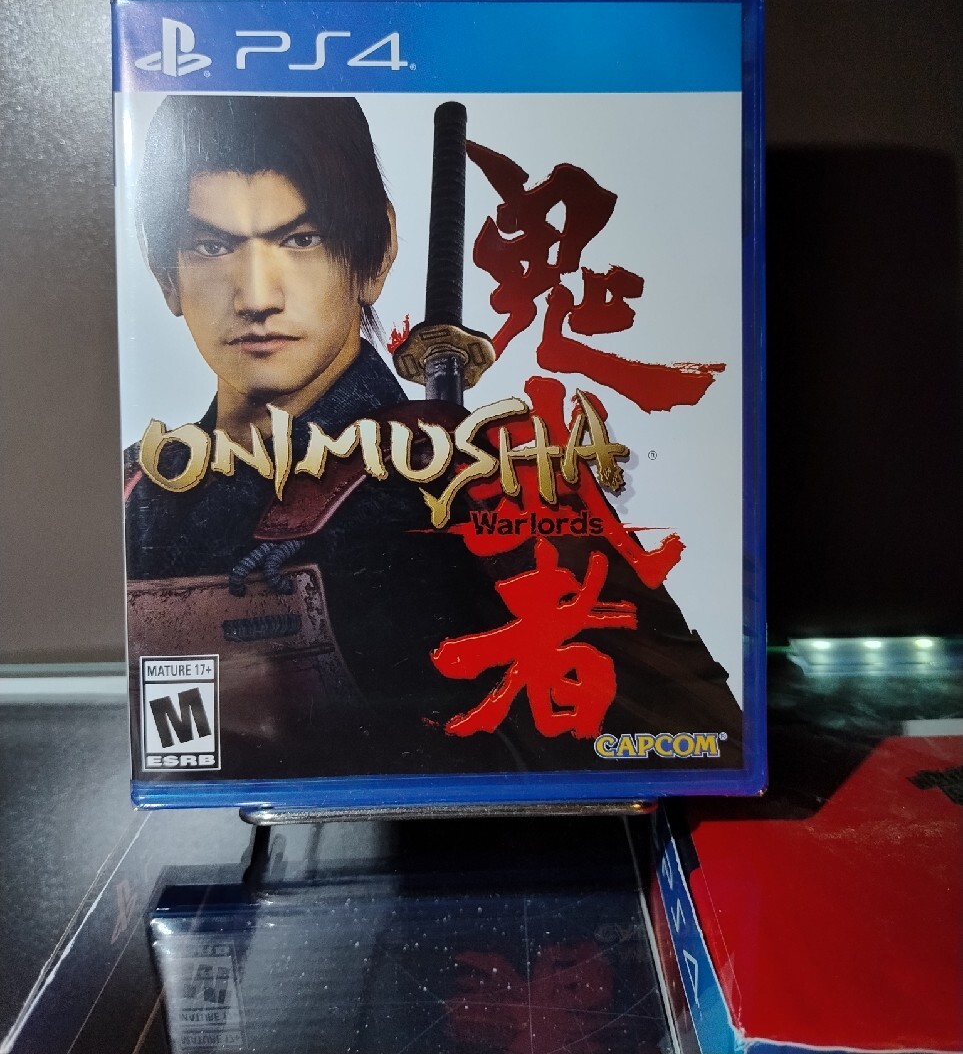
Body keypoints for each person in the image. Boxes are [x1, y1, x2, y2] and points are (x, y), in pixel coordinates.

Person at [124, 94, 744, 783]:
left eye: (301, 240)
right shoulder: (138, 492)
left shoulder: (485, 471)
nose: (256, 297)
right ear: (165, 274)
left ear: (376, 254)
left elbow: (690, 737)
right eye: (211, 246)